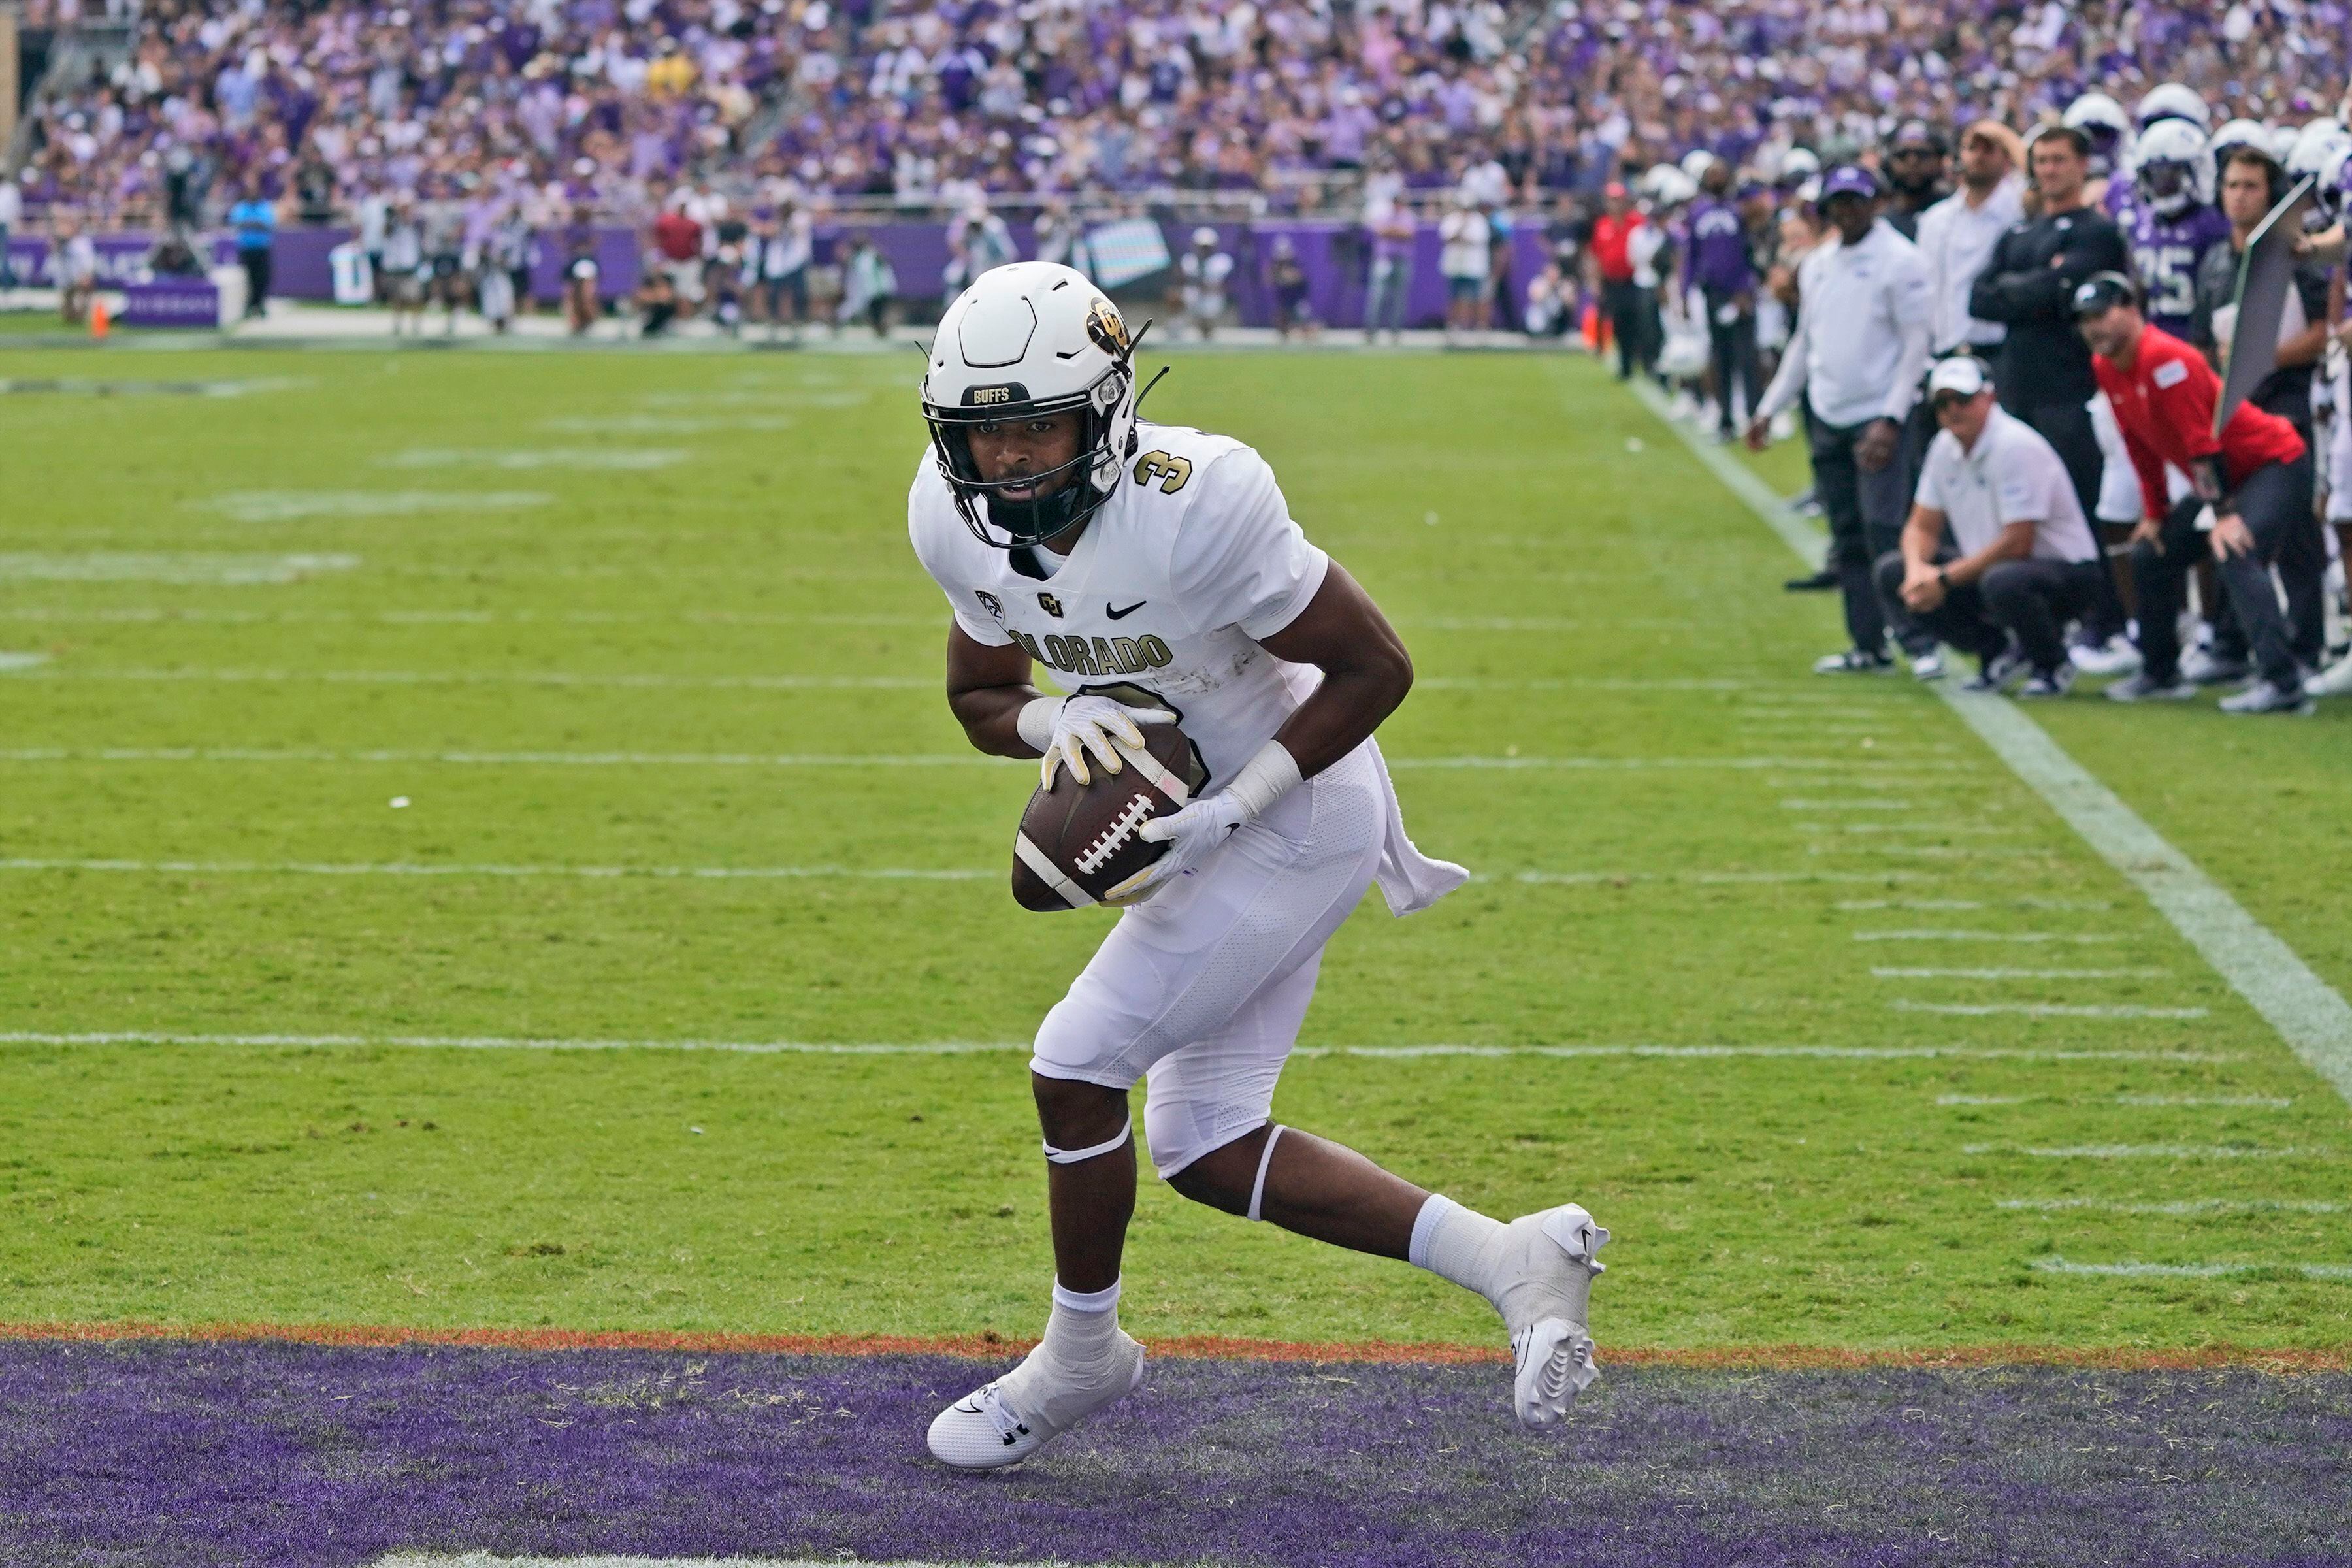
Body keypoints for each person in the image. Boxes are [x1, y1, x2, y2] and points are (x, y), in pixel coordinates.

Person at [904, 261, 1599, 1473]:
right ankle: (1516, 1261)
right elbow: (979, 693)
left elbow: (1376, 668)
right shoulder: (949, 515)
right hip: (1189, 806)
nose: (1008, 463)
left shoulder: (1197, 498)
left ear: (1106, 410)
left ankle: (1080, 1359)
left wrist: (1243, 805)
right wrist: (1049, 725)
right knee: (1207, 1143)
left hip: (1297, 804)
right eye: (984, 434)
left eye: (1033, 429)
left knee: (1075, 1065)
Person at [2075, 273, 2318, 714]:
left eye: (2102, 315)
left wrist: (2224, 513)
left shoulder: (2167, 359)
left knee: (2236, 548)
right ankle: (2160, 671)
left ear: (2132, 311)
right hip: (2228, 474)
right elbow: (2137, 442)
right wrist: (2155, 511)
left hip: (2272, 462)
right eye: (2086, 319)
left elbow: (2201, 446)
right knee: (2152, 553)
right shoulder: (2106, 367)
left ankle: (2282, 683)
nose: (2095, 328)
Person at [1746, 166, 1934, 675]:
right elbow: (1805, 342)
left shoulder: (1902, 261)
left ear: (1875, 204)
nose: (1847, 211)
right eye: (1838, 203)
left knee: (1885, 529)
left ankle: (1917, 639)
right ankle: (1867, 643)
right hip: (1829, 411)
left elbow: (1917, 345)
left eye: (1856, 201)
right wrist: (1769, 407)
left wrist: (1893, 417)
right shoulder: (1818, 264)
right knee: (1848, 534)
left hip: (1877, 412)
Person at [1968, 123, 2137, 675]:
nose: (2048, 170)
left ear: (2082, 165)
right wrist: (2041, 287)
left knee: (2086, 508)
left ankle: (2104, 620)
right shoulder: (2022, 231)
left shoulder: (2095, 230)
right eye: (2040, 160)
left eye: (2059, 160)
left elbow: (2071, 294)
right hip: (2020, 391)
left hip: (2072, 391)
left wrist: (2032, 290)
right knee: (2021, 510)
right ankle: (2040, 625)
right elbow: (1982, 297)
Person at [1878, 357, 2108, 697]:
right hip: (1995, 569)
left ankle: (2051, 663)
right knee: (1893, 572)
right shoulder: (1944, 447)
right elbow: (1922, 526)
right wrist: (1917, 572)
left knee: (2002, 580)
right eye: (1943, 404)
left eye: (1963, 400)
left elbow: (2019, 542)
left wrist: (1942, 580)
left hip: (2066, 573)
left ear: (1989, 398)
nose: (1953, 411)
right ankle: (1995, 652)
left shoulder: (2015, 446)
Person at [1683, 157, 1760, 442]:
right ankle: (1725, 421)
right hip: (1712, 293)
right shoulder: (1697, 213)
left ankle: (1755, 419)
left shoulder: (1739, 212)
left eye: (1721, 173)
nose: (1716, 179)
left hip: (1739, 294)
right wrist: (1685, 291)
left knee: (1748, 359)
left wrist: (1746, 290)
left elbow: (1750, 254)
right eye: (1711, 174)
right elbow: (1691, 255)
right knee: (1721, 358)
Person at [1585, 181, 1646, 379]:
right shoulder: (1602, 224)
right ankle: (1624, 363)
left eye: (1618, 200)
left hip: (1634, 279)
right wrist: (1595, 281)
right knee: (1618, 322)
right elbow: (1596, 255)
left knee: (1636, 321)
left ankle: (1641, 360)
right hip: (1611, 281)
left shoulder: (1636, 222)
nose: (1615, 204)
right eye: (1612, 200)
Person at [1880, 120, 1951, 241]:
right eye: (1902, 155)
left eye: (1922, 154)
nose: (1912, 162)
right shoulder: (1881, 223)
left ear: (1940, 161)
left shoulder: (1956, 212)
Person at [1439, 194, 1490, 338]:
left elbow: (1476, 240)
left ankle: (1479, 327)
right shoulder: (1451, 220)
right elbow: (1448, 238)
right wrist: (1462, 227)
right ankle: (1453, 326)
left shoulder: (1479, 221)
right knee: (1454, 297)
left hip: (1474, 266)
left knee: (1477, 297)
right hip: (1455, 266)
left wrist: (1462, 237)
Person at [1365, 199, 1416, 343]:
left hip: (1402, 260)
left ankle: (1395, 332)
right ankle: (1371, 331)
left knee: (1399, 298)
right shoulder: (1383, 214)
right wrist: (1396, 231)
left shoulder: (1408, 216)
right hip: (1384, 259)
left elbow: (1408, 234)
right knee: (1377, 296)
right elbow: (1379, 230)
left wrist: (1391, 230)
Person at [1176, 226, 1233, 340]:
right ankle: (1176, 329)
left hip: (1213, 298)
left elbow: (1224, 285)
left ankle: (1208, 329)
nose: (1204, 250)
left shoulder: (1222, 261)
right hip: (1193, 297)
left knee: (1209, 310)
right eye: (1201, 247)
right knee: (1174, 296)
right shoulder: (1189, 260)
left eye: (1207, 247)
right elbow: (1182, 280)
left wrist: (1206, 285)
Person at [228, 183, 276, 319]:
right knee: (248, 279)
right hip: (247, 249)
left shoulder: (264, 207)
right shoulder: (241, 207)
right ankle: (249, 305)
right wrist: (255, 224)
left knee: (262, 278)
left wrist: (250, 224)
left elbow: (267, 225)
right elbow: (238, 223)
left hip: (262, 248)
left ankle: (259, 304)